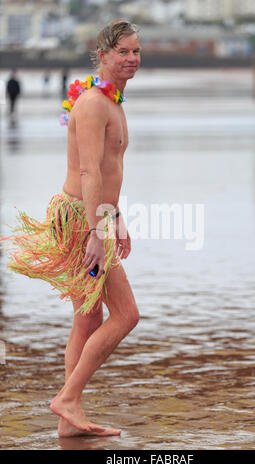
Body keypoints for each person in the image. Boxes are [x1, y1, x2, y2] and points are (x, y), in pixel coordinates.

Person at [1, 19, 141, 437]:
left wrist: (116, 218)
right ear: (102, 56)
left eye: (136, 51)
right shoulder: (95, 103)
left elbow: (111, 171)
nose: (132, 59)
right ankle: (67, 398)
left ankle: (68, 421)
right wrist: (98, 233)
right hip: (81, 219)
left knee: (87, 318)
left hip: (89, 215)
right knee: (126, 314)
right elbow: (89, 172)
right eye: (123, 52)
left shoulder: (112, 101)